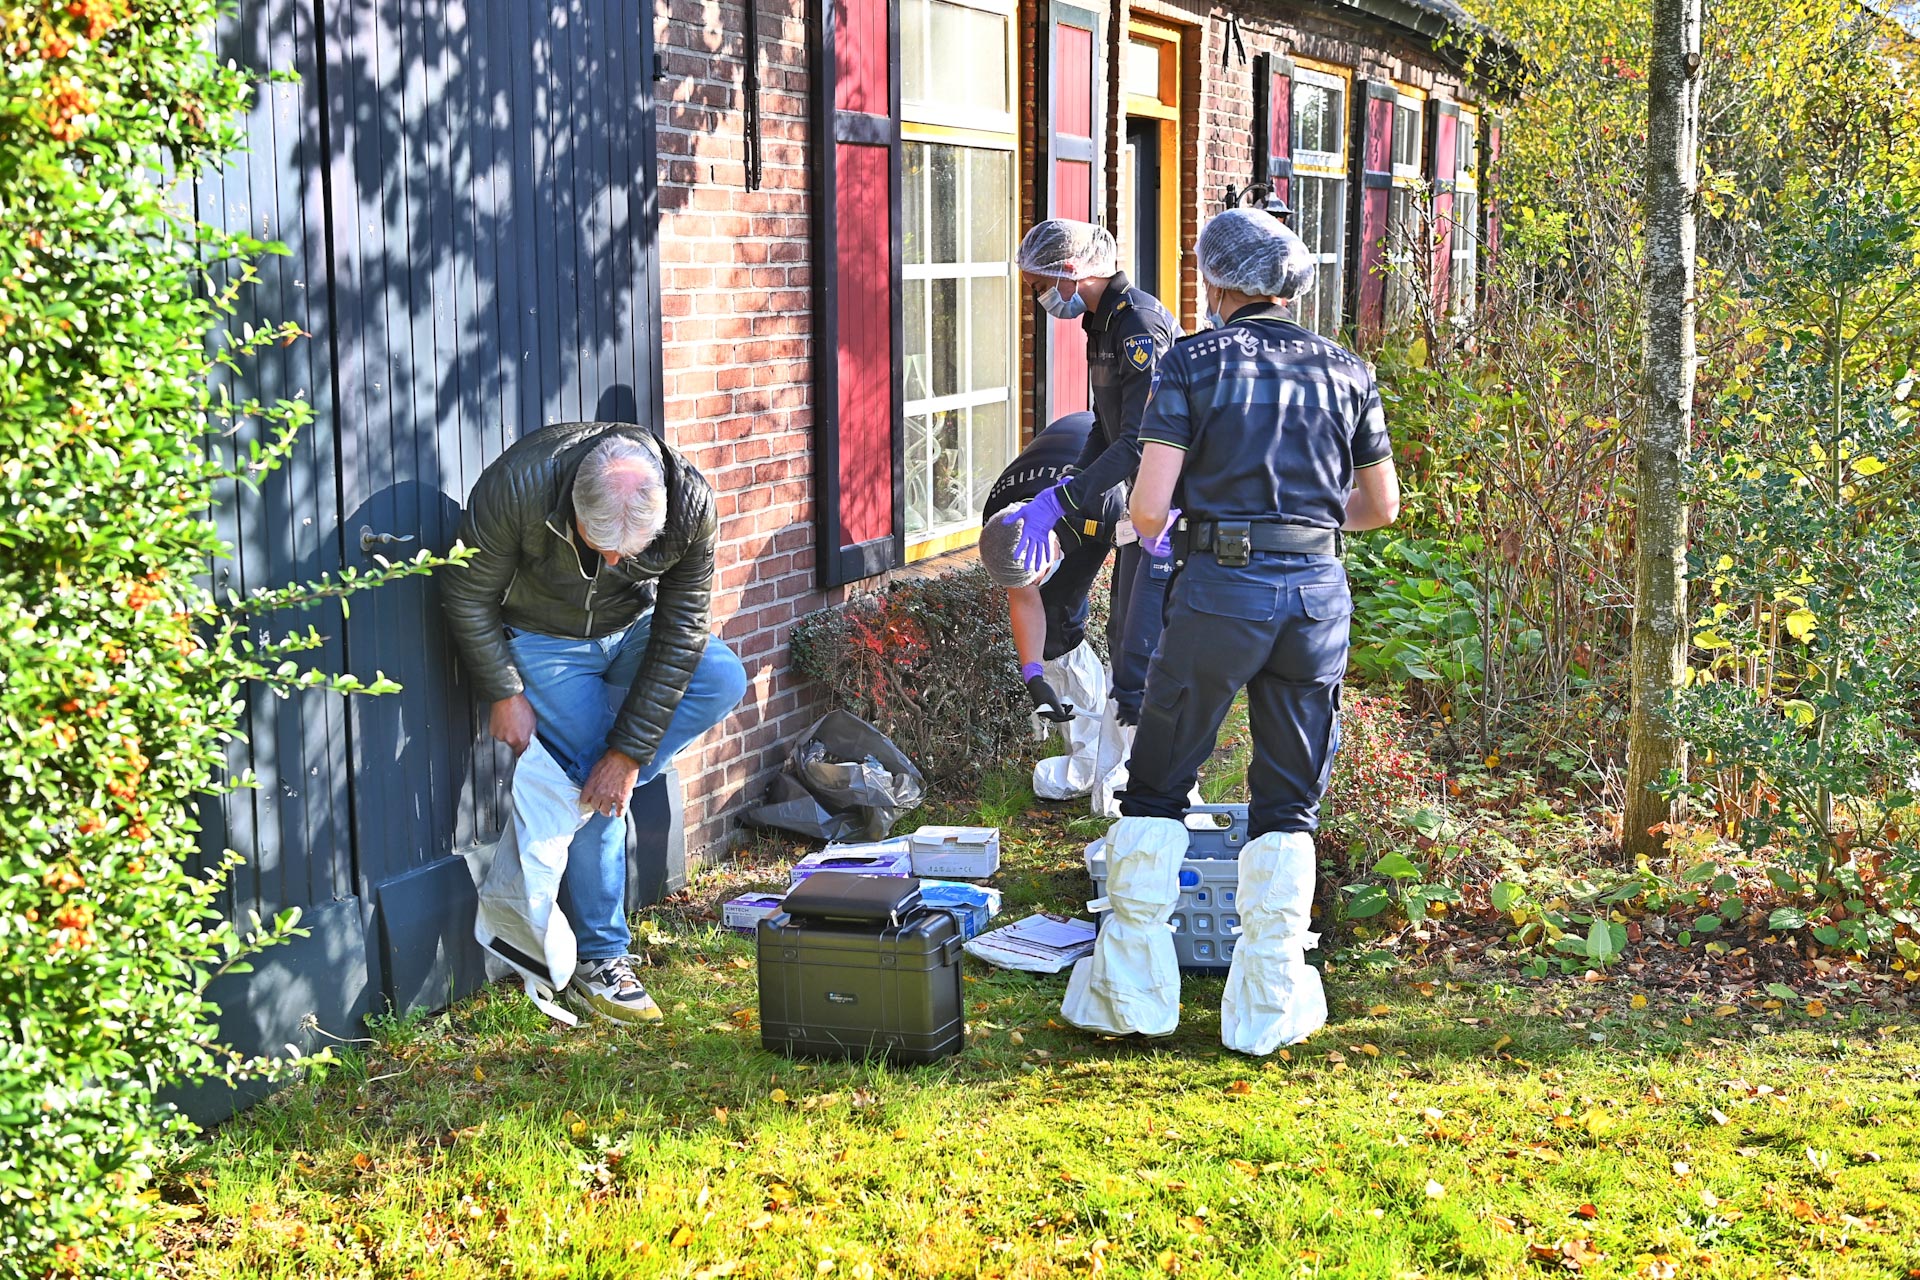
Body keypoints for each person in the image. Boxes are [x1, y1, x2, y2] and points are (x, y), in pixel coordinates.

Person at [1059, 209, 1401, 1054]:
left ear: (1218, 282)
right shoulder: (1349, 370)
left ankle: (1132, 997)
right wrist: (1306, 521)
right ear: (1289, 284)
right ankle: (1267, 1009)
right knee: (1290, 796)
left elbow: (1146, 503)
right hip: (1316, 593)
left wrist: (1206, 517)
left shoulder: (1190, 363)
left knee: (1162, 777)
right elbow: (1381, 506)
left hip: (1219, 589)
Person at [444, 422, 749, 1025]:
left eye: (628, 552)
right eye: (598, 544)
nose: (613, 560)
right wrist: (503, 690)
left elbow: (683, 626)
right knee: (595, 775)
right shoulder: (520, 484)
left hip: (633, 628)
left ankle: (585, 791)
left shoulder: (689, 502)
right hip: (544, 639)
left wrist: (628, 758)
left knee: (720, 678)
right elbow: (466, 591)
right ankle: (603, 959)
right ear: (574, 508)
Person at [1000, 220, 1182, 811]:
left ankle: (1146, 788)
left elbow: (1141, 441)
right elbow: (1103, 430)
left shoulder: (1138, 326)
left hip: (1167, 508)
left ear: (1072, 269)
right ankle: (1118, 774)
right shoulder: (1098, 325)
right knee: (1123, 635)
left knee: (1142, 646)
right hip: (1136, 504)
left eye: (1042, 281)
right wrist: (1065, 485)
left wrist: (1065, 500)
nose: (1041, 294)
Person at [976, 411, 1121, 802]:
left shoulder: (1103, 504)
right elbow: (1023, 597)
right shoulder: (999, 521)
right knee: (1056, 631)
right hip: (1051, 495)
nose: (1032, 589)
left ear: (1050, 548)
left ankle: (1129, 764)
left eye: (1036, 577)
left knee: (1130, 630)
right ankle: (1088, 756)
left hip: (1108, 475)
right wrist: (1034, 674)